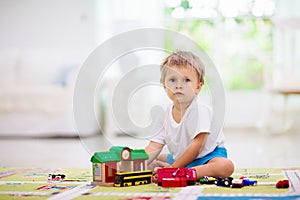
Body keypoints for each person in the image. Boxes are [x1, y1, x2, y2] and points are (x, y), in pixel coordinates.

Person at [145, 51, 234, 181]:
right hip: (181, 158)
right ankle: (183, 171)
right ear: (164, 86)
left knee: (226, 166)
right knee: (153, 158)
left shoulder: (201, 110)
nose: (179, 85)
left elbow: (197, 146)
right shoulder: (163, 115)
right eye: (172, 80)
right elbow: (154, 146)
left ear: (198, 86)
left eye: (186, 80)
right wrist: (136, 163)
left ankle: (184, 173)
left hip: (208, 157)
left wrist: (173, 168)